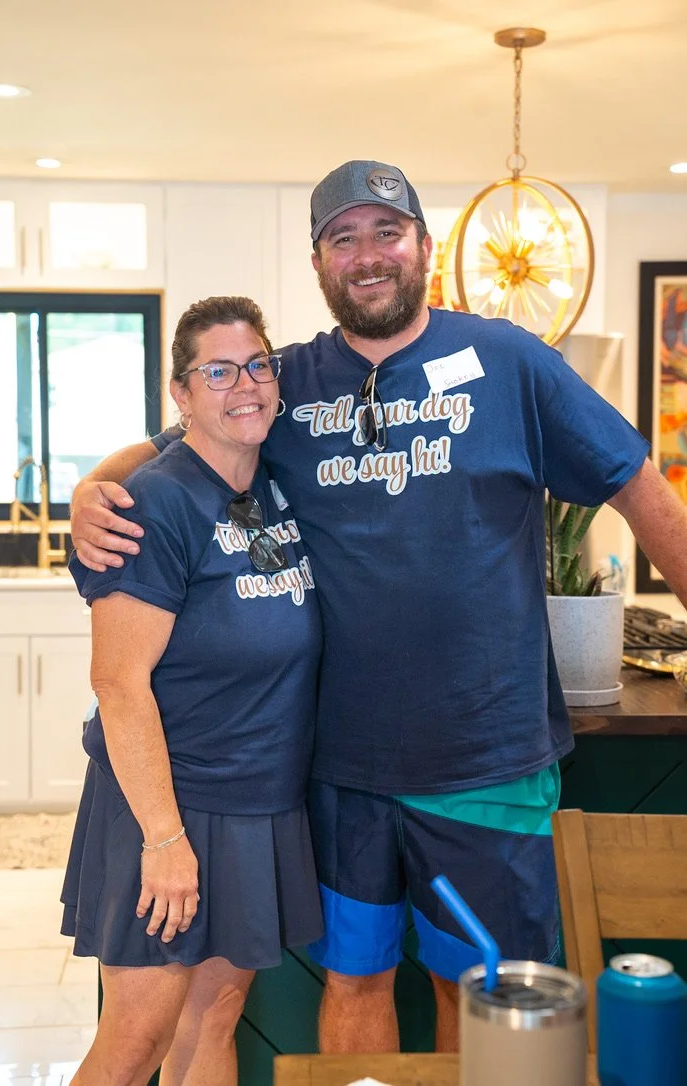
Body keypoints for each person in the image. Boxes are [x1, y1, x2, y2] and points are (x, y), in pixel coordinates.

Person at [70, 160, 687, 1056]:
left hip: (487, 756)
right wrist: (91, 486)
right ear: (318, 263)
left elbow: (643, 492)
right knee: (355, 979)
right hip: (338, 767)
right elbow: (173, 443)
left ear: (423, 249)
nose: (367, 255)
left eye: (386, 233)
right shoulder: (280, 383)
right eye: (342, 238)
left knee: (477, 991)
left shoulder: (513, 364)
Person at [62, 295, 322, 1086]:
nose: (244, 385)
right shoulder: (156, 503)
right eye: (218, 370)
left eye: (256, 366)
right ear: (180, 393)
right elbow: (117, 680)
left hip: (257, 799)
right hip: (171, 805)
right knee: (138, 1035)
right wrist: (165, 842)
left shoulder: (274, 482)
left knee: (216, 1016)